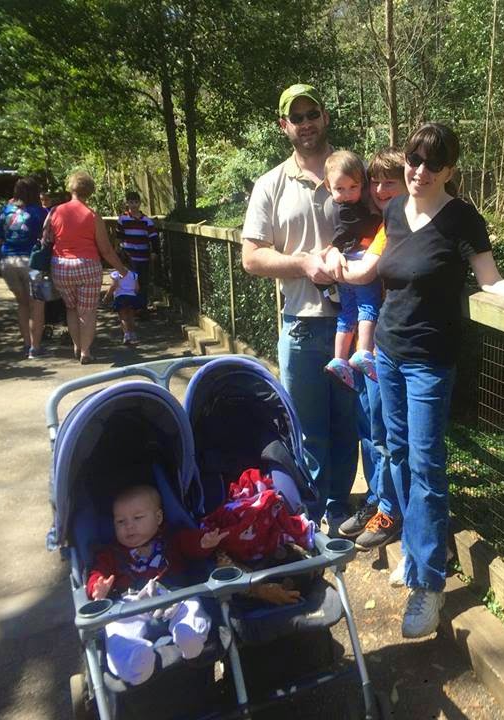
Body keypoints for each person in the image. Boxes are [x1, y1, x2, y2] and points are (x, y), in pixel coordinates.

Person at [349, 123, 504, 638]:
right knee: (395, 453)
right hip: (388, 353)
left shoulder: (462, 218)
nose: (420, 170)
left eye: (433, 164)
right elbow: (374, 270)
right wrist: (327, 262)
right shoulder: (394, 210)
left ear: (449, 170)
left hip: (429, 363)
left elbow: (488, 277)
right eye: (414, 159)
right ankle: (416, 556)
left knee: (426, 465)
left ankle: (429, 585)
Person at [241, 84, 359, 534]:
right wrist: (304, 264)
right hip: (301, 326)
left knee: (348, 424)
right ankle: (309, 512)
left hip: (356, 324)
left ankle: (339, 508)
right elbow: (251, 257)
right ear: (284, 126)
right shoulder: (270, 184)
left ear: (325, 117)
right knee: (307, 429)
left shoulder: (353, 173)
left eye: (313, 114)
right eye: (297, 117)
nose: (306, 123)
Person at [333, 148, 408, 552]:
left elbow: (363, 272)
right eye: (375, 182)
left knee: (385, 432)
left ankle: (389, 510)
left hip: (389, 344)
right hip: (372, 345)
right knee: (369, 426)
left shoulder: (402, 225)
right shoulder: (375, 222)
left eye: (388, 182)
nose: (380, 190)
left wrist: (335, 265)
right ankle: (376, 501)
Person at [87, 483, 220, 686]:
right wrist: (97, 587)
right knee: (116, 628)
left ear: (158, 518)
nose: (129, 526)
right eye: (120, 521)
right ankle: (135, 659)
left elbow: (192, 544)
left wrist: (204, 542)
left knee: (192, 605)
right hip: (131, 605)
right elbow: (97, 572)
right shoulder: (110, 553)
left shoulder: (171, 539)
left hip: (175, 597)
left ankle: (189, 637)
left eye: (137, 518)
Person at [49, 170, 129, 364]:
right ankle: (86, 351)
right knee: (88, 311)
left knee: (71, 308)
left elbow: (48, 238)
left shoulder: (55, 212)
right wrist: (122, 270)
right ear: (90, 191)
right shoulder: (92, 216)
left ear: (71, 188)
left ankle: (77, 346)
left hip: (61, 266)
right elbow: (106, 250)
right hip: (87, 266)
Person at [321, 150, 383, 391]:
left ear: (362, 185)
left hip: (344, 263)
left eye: (353, 187)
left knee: (348, 313)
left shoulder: (339, 206)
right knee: (368, 307)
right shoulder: (346, 210)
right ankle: (363, 352)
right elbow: (363, 226)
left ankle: (339, 359)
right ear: (328, 187)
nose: (347, 194)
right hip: (357, 259)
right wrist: (379, 220)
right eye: (340, 189)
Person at [0, 177, 49, 358]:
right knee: (37, 305)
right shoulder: (39, 212)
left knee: (22, 304)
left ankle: (26, 344)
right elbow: (47, 236)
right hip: (31, 262)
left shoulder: (5, 211)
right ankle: (36, 347)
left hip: (8, 261)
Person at [115, 191, 159, 308]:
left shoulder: (146, 221)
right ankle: (131, 306)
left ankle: (142, 307)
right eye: (131, 202)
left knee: (143, 282)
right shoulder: (123, 219)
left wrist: (154, 252)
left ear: (139, 203)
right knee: (130, 282)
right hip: (128, 257)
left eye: (135, 202)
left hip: (143, 257)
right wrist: (118, 250)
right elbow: (119, 236)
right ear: (127, 203)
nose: (133, 205)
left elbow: (154, 238)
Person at [103, 262, 142, 345]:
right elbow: (137, 288)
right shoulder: (134, 275)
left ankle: (126, 335)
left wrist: (107, 297)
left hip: (120, 297)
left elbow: (113, 286)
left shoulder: (116, 274)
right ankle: (132, 334)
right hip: (132, 297)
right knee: (131, 316)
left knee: (123, 317)